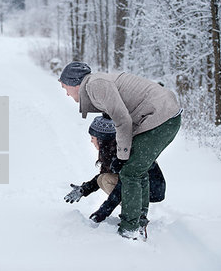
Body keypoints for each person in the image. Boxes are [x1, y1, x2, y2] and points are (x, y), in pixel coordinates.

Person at [59, 61, 182, 239]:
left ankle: (130, 228)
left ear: (75, 84)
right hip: (164, 117)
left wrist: (122, 155)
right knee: (138, 170)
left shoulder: (95, 86)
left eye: (65, 88)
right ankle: (138, 220)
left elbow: (123, 120)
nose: (66, 93)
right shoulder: (96, 86)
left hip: (161, 118)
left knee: (131, 172)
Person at [64, 114, 166, 240]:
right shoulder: (115, 150)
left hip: (153, 188)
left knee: (107, 180)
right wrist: (84, 189)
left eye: (93, 137)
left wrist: (102, 213)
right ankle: (135, 211)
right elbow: (100, 178)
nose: (91, 140)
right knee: (104, 179)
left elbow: (120, 189)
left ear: (102, 139)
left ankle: (136, 216)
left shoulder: (120, 155)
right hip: (144, 185)